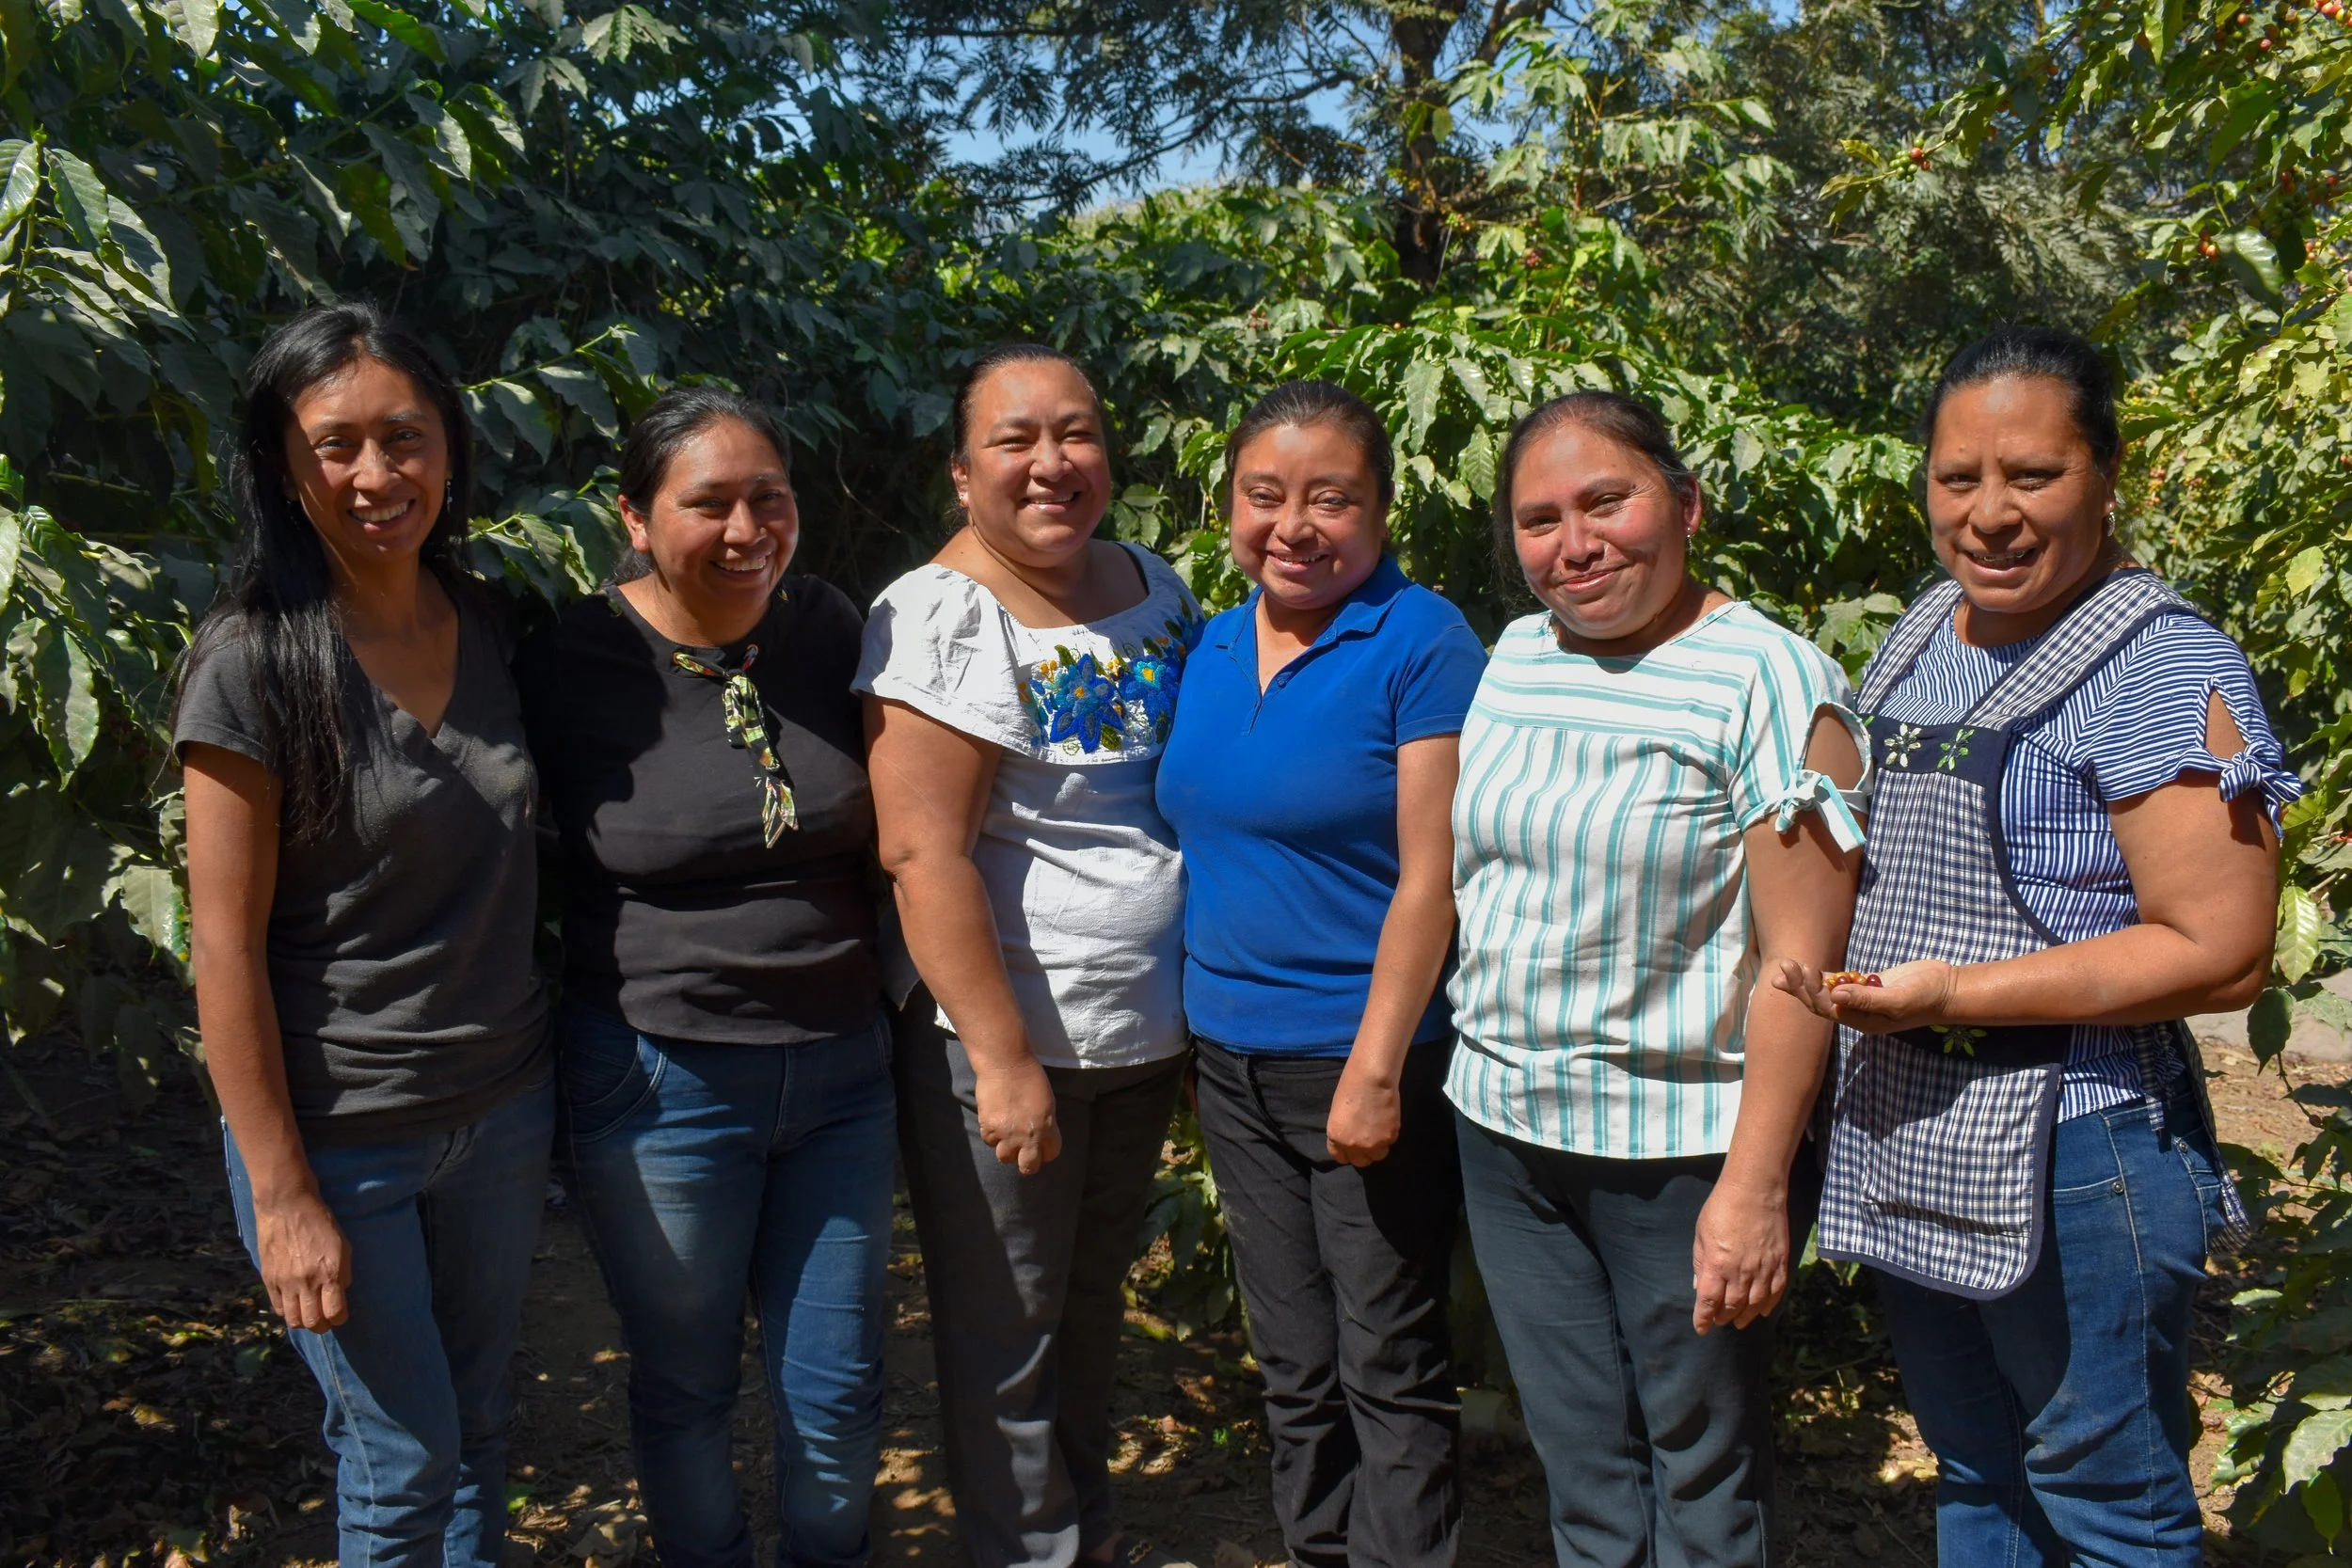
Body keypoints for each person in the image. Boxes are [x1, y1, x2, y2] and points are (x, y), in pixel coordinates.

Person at [1783, 325, 2292, 1566]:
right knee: (1980, 1472)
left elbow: (2222, 949)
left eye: (2034, 475)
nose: (1989, 514)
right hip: (1915, 1107)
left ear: (2109, 473)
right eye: (1959, 478)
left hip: (2078, 1140)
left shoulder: (2160, 663)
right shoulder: (1925, 629)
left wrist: (1958, 988)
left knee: (2107, 1499)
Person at [1448, 390, 1868, 1568]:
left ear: (1682, 504)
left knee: (1702, 1468)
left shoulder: (1771, 681)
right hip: (1507, 1131)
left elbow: (1801, 969)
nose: (1573, 544)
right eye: (1539, 520)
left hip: (1677, 1151)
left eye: (1605, 501)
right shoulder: (1515, 653)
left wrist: (1752, 1187)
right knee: (1578, 1459)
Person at [177, 304, 551, 1568]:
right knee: (401, 1462)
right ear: (285, 466)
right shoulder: (252, 660)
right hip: (341, 1135)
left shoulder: (494, 623)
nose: (377, 474)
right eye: (336, 445)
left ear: (451, 444)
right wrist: (282, 1195)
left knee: (480, 1429)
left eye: (405, 436)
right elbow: (221, 947)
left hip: (499, 1110)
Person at [516, 388, 892, 1568]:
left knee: (836, 1384)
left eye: (768, 499)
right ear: (634, 516)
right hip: (658, 1080)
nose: (746, 530)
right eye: (708, 503)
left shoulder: (830, 626)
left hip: (843, 1075)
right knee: (686, 1382)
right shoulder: (568, 660)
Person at [856, 341, 1202, 1568]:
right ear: (962, 472)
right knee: (1007, 1330)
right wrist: (1002, 1058)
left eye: (1078, 432)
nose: (1053, 462)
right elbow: (923, 853)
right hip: (1004, 1044)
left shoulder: (1155, 584)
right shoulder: (942, 613)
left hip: (1141, 1032)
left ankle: (1080, 1533)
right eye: (1016, 440)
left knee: (1091, 1309)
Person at [1153, 381, 1486, 1568]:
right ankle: (1319, 1551)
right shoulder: (1208, 640)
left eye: (1329, 498)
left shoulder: (1420, 637)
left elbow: (1429, 873)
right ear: (1229, 504)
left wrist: (1376, 1066)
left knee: (1387, 1359)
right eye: (1264, 495)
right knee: (1293, 1360)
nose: (1293, 524)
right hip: (1228, 1059)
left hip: (1357, 1053)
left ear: (1382, 510)